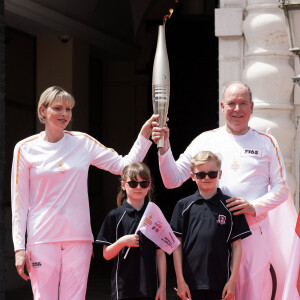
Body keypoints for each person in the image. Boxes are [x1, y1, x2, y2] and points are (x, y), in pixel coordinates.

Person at [11, 86, 157, 300]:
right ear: (43, 111)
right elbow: (19, 202)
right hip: (41, 239)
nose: (65, 114)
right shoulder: (25, 148)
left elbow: (123, 165)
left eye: (69, 109)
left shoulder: (83, 143)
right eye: (58, 108)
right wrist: (18, 248)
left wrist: (144, 136)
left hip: (78, 239)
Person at [151, 81, 291, 300]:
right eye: (232, 103)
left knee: (254, 294)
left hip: (253, 234)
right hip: (215, 238)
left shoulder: (267, 143)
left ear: (252, 107)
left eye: (243, 103)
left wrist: (253, 206)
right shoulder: (206, 139)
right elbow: (173, 179)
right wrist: (164, 147)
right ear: (222, 106)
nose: (237, 109)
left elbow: (282, 188)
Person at [171, 151, 251, 300]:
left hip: (221, 285)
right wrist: (180, 280)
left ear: (220, 174)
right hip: (190, 284)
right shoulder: (183, 206)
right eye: (201, 174)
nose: (206, 178)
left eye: (212, 174)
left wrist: (232, 281)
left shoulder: (231, 206)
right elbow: (176, 245)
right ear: (193, 176)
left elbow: (237, 246)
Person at [95, 162, 167, 300]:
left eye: (143, 183)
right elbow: (106, 255)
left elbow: (160, 253)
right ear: (123, 185)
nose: (138, 187)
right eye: (133, 183)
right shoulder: (115, 216)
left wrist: (162, 287)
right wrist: (122, 242)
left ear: (149, 185)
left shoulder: (154, 215)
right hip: (123, 289)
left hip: (149, 288)